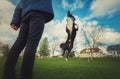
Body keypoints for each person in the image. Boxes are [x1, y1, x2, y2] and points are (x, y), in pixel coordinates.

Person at [3, 0, 54, 79]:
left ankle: (7, 74)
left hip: (26, 14)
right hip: (38, 12)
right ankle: (26, 76)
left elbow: (19, 4)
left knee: (19, 43)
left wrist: (15, 21)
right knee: (31, 45)